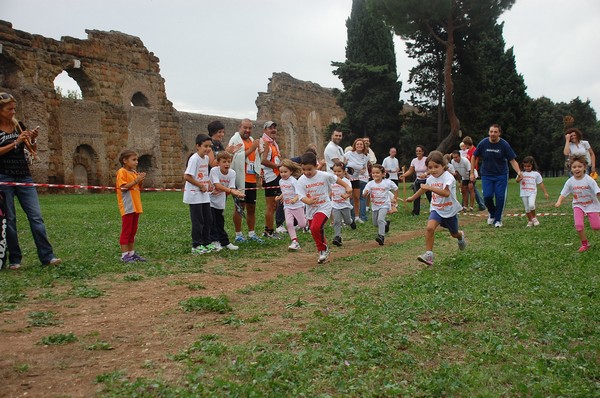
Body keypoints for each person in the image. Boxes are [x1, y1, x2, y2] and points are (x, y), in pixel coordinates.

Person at [0, 92, 61, 269]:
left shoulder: (18, 125)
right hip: (4, 177)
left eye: (14, 108)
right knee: (10, 219)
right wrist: (15, 142)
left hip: (24, 176)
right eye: (9, 109)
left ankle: (47, 257)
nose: (13, 111)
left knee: (36, 217)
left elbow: (31, 150)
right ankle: (15, 259)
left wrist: (32, 139)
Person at [406, 151, 466, 266]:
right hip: (436, 209)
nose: (433, 170)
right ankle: (429, 255)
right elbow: (424, 189)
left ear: (443, 166)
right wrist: (413, 198)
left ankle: (460, 236)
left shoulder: (448, 177)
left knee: (454, 233)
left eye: (436, 167)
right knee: (429, 228)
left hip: (449, 211)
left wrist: (430, 188)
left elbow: (446, 193)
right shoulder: (431, 179)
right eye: (430, 167)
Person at [296, 151, 352, 264]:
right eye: (304, 169)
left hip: (324, 207)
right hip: (311, 209)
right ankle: (324, 248)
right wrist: (308, 201)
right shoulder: (301, 180)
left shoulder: (324, 175)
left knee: (315, 227)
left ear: (316, 166)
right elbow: (301, 196)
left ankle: (322, 250)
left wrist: (347, 186)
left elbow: (336, 179)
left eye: (309, 169)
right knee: (314, 230)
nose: (306, 172)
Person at [470, 124, 523, 228]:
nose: (492, 134)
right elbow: (474, 156)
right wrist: (472, 172)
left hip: (501, 175)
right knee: (487, 196)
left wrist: (519, 172)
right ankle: (492, 213)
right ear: (488, 132)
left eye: (495, 132)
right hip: (486, 174)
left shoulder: (504, 145)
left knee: (500, 197)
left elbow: (512, 160)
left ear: (499, 133)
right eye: (491, 132)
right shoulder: (483, 143)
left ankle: (498, 220)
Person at [555, 154, 600, 252]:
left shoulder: (589, 180)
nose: (577, 169)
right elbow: (563, 193)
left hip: (591, 205)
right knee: (579, 226)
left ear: (584, 167)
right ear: (571, 169)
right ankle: (585, 244)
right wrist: (559, 201)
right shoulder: (570, 182)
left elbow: (597, 191)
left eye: (580, 166)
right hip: (578, 205)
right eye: (574, 167)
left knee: (596, 227)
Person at [228, 119, 263, 243]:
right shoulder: (235, 140)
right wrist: (252, 149)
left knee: (252, 207)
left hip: (251, 179)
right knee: (239, 207)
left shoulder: (252, 140)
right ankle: (238, 234)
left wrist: (258, 151)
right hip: (240, 179)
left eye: (250, 128)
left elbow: (256, 159)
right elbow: (234, 158)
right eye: (245, 128)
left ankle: (252, 233)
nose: (247, 130)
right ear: (239, 127)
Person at [183, 134, 215, 254]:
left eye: (209, 146)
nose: (207, 149)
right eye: (205, 146)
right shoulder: (194, 159)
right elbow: (187, 176)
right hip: (194, 194)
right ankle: (196, 245)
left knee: (208, 219)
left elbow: (203, 174)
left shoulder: (206, 158)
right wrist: (200, 185)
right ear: (198, 146)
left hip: (204, 194)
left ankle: (206, 243)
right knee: (198, 221)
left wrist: (208, 184)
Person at [209, 151, 245, 251]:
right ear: (218, 162)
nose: (227, 164)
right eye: (224, 162)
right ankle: (215, 241)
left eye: (229, 161)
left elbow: (231, 188)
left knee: (220, 221)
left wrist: (237, 193)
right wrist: (230, 190)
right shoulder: (214, 171)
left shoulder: (232, 173)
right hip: (209, 200)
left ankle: (225, 242)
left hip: (220, 201)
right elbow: (217, 184)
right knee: (212, 221)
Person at [116, 150, 146, 263]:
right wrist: (136, 180)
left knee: (133, 230)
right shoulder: (121, 172)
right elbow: (123, 187)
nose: (136, 162)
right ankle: (124, 255)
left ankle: (132, 253)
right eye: (133, 160)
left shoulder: (133, 172)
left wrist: (140, 180)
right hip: (128, 205)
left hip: (136, 206)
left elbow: (137, 186)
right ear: (125, 161)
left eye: (137, 160)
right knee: (126, 230)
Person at [362, 164, 398, 245]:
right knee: (375, 223)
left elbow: (396, 188)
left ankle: (381, 236)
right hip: (375, 206)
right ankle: (386, 224)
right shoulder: (370, 184)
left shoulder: (387, 183)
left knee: (380, 220)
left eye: (377, 173)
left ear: (383, 174)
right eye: (373, 173)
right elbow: (364, 194)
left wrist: (394, 198)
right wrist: (365, 193)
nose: (375, 174)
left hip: (384, 205)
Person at [260, 121, 285, 239]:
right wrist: (278, 167)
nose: (273, 130)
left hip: (276, 176)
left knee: (274, 205)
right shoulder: (265, 142)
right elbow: (263, 160)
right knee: (271, 205)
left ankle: (270, 229)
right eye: (270, 128)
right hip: (270, 177)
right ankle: (268, 231)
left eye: (275, 127)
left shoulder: (273, 143)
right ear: (265, 130)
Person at [275, 159, 306, 251]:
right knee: (289, 223)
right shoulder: (281, 181)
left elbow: (299, 193)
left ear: (291, 171)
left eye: (285, 172)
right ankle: (294, 242)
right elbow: (284, 192)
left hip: (297, 206)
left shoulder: (293, 181)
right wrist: (280, 197)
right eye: (281, 172)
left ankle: (308, 219)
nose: (283, 174)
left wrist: (294, 199)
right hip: (287, 206)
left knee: (302, 224)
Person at [517, 156, 549, 227]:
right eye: (525, 166)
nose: (526, 168)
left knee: (531, 205)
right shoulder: (521, 173)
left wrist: (545, 192)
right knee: (527, 208)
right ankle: (530, 220)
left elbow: (540, 183)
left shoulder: (536, 174)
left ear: (532, 165)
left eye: (528, 166)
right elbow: (517, 180)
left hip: (532, 192)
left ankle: (534, 218)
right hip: (523, 193)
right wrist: (519, 178)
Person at [400, 145, 431, 216]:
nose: (418, 152)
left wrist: (425, 174)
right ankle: (415, 212)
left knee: (430, 196)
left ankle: (434, 210)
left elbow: (431, 170)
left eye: (420, 151)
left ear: (423, 152)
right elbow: (410, 171)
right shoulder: (414, 160)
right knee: (416, 196)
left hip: (427, 180)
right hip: (418, 181)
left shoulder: (426, 159)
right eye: (417, 151)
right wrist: (404, 175)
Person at [344, 138, 369, 223]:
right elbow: (342, 165)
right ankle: (346, 218)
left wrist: (363, 171)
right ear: (355, 145)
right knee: (348, 198)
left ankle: (357, 217)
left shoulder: (365, 157)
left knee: (356, 198)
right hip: (347, 179)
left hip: (356, 179)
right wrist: (345, 173)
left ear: (363, 146)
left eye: (361, 144)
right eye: (357, 144)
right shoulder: (349, 154)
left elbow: (364, 167)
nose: (359, 145)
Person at [331, 161, 356, 247]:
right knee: (336, 221)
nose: (336, 173)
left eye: (339, 171)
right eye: (334, 171)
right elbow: (330, 191)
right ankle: (337, 237)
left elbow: (350, 193)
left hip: (345, 205)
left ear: (344, 172)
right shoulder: (332, 181)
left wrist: (346, 195)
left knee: (347, 221)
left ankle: (352, 222)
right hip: (335, 205)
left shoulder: (347, 182)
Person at [463, 136, 486, 211]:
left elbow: (475, 161)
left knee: (472, 188)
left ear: (467, 144)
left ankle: (481, 204)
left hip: (473, 171)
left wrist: (473, 171)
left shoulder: (474, 150)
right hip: (468, 171)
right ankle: (465, 205)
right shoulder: (468, 151)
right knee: (469, 188)